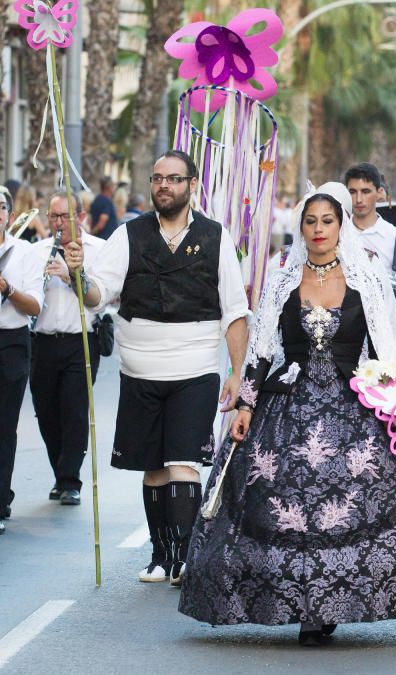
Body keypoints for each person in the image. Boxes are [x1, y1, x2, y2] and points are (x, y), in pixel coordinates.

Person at [178, 182, 396, 645]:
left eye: (327, 221)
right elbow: (262, 353)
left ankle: (337, 599)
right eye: (310, 222)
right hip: (288, 406)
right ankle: (303, 605)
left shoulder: (366, 280)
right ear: (301, 228)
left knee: (356, 498)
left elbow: (383, 349)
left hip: (352, 402)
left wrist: (393, 404)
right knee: (285, 500)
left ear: (340, 227)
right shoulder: (281, 282)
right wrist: (245, 405)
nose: (319, 230)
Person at [64, 150, 250, 584]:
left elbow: (235, 312)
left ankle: (184, 556)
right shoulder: (127, 236)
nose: (164, 185)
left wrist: (236, 373)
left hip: (196, 366)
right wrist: (80, 277)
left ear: (192, 184)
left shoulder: (217, 238)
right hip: (138, 369)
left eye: (174, 179)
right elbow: (99, 294)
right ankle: (160, 554)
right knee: (152, 465)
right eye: (157, 178)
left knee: (183, 461)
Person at [30, 193, 105, 506]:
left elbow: (102, 298)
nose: (58, 223)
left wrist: (72, 275)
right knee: (47, 413)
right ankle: (59, 473)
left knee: (74, 412)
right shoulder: (36, 251)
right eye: (53, 216)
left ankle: (70, 480)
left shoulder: (98, 250)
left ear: (81, 216)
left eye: (64, 216)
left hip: (81, 340)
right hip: (43, 340)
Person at [0, 185, 44, 535]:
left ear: (10, 216)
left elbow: (34, 306)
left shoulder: (24, 253)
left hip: (10, 342)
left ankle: (1, 499)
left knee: (3, 424)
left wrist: (7, 289)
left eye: (1, 207)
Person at [344, 163, 396, 291]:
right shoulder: (337, 233)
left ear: (379, 192)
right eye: (352, 192)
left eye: (365, 191)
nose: (358, 199)